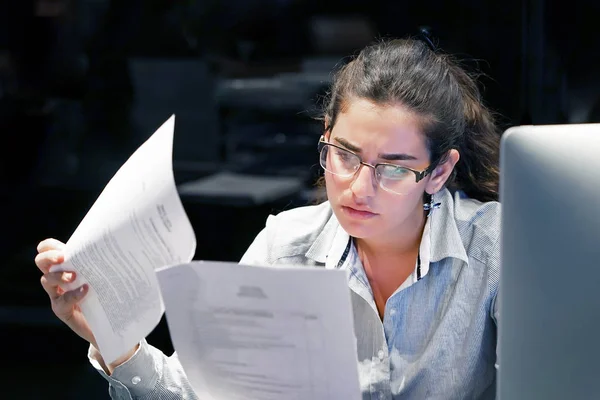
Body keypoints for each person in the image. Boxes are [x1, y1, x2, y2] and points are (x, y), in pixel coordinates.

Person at [34, 37, 502, 399]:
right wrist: (110, 337)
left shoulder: (495, 248)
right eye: (345, 155)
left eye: (395, 168)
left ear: (439, 171)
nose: (359, 188)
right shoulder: (286, 243)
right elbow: (203, 390)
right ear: (326, 136)